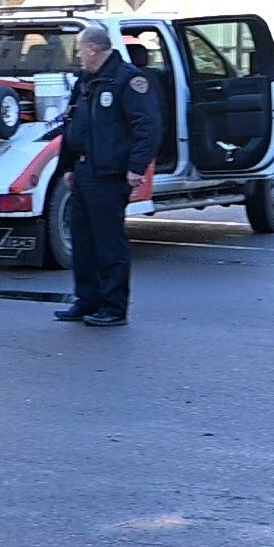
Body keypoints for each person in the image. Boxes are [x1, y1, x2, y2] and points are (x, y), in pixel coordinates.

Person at [56, 24, 161, 328]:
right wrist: (68, 167)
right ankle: (87, 299)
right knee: (83, 240)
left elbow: (147, 127)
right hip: (85, 170)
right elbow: (72, 127)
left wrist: (137, 167)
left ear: (93, 49)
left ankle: (113, 307)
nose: (77, 55)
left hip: (110, 173)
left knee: (108, 242)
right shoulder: (87, 81)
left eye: (79, 49)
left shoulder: (128, 81)